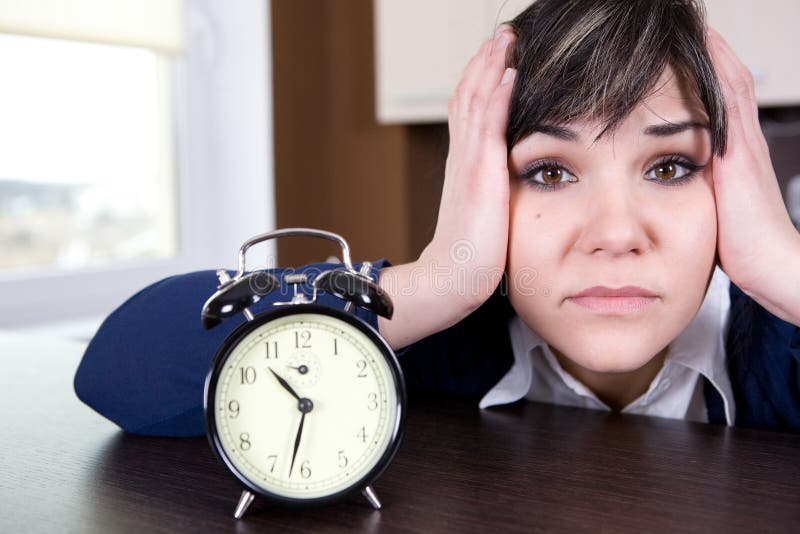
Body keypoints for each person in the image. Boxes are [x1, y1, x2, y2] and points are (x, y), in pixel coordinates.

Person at [75, 0, 800, 436]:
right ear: (481, 192)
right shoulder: (438, 340)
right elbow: (125, 370)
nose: (615, 232)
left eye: (669, 168)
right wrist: (441, 280)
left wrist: (779, 263)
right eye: (549, 172)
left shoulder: (780, 348)